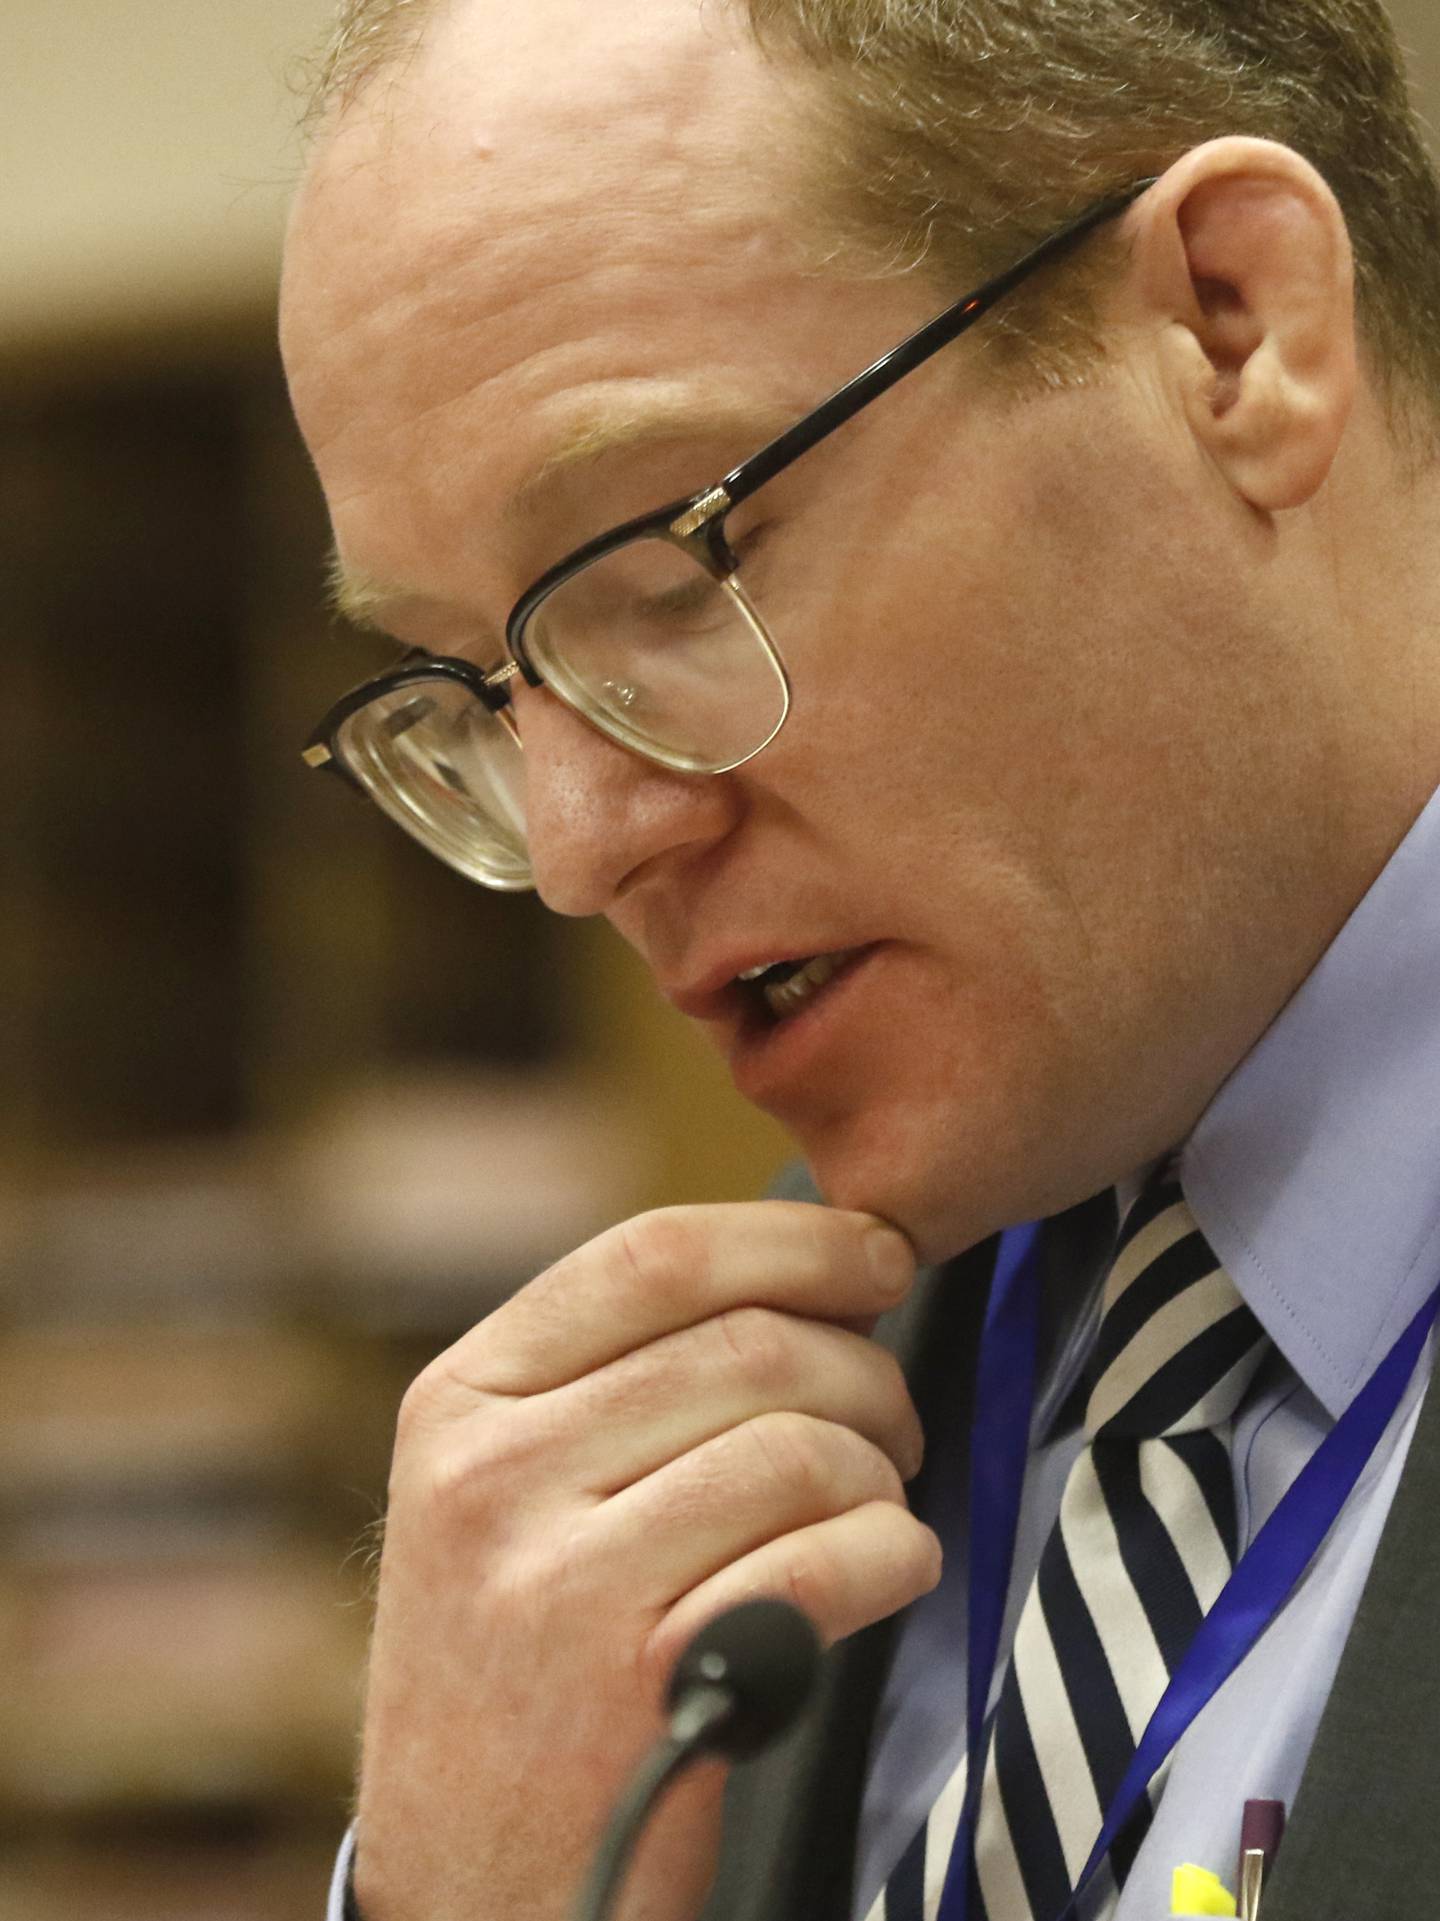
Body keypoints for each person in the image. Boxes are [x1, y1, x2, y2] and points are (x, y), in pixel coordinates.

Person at [279, 0, 1440, 1915]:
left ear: (1235, 329)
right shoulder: (711, 1516)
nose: (577, 847)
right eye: (469, 687)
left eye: (664, 574)